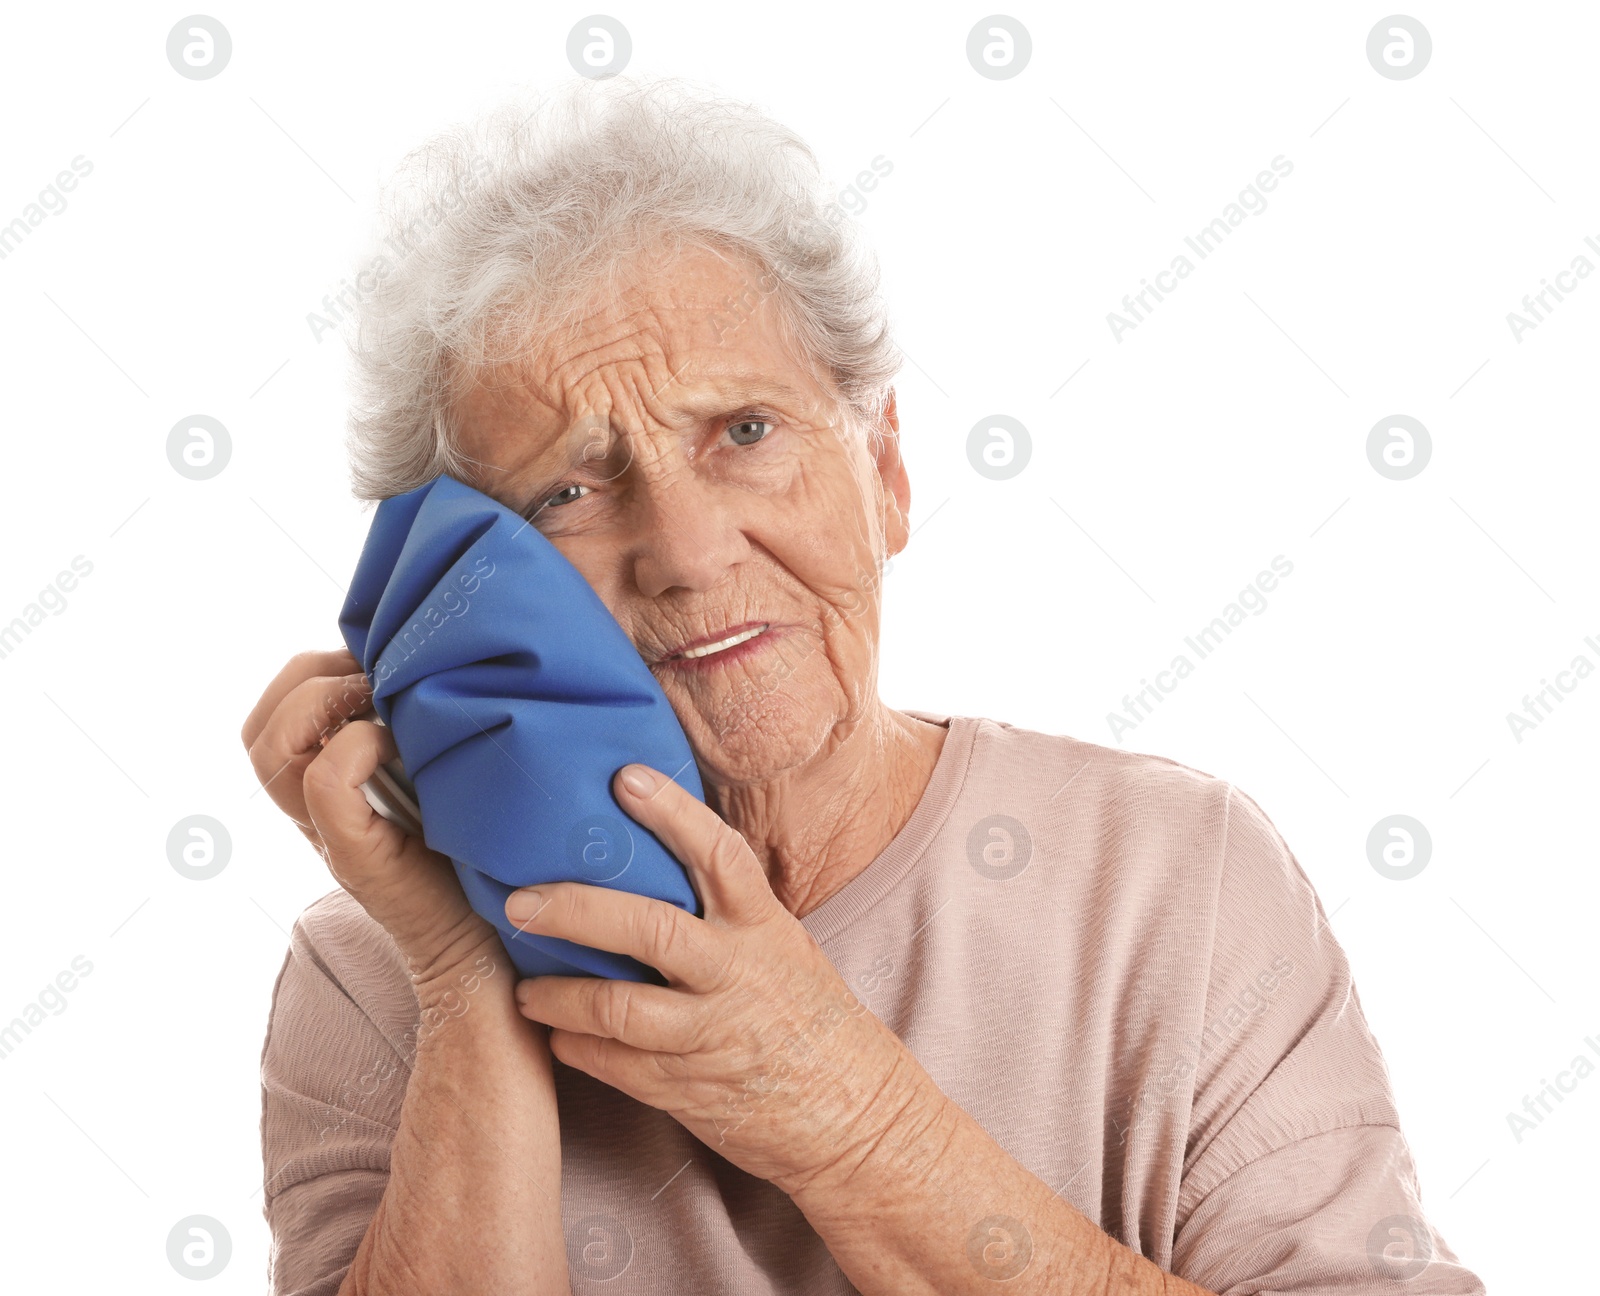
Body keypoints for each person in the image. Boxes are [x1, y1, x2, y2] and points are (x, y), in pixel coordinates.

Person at [243, 76, 1484, 1295]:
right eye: (567, 491)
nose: (685, 549)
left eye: (744, 432)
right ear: (455, 590)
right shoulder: (378, 971)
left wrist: (843, 1110)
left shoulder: (1174, 876)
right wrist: (467, 982)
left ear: (884, 469)